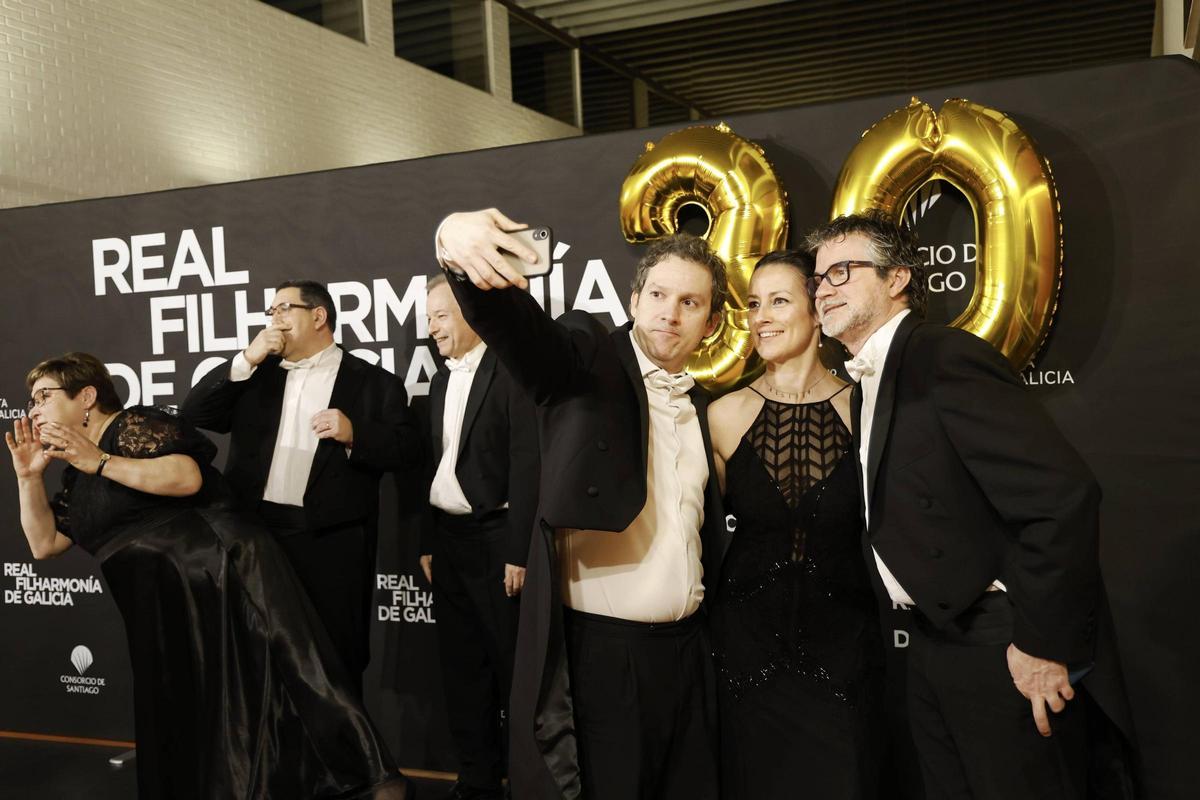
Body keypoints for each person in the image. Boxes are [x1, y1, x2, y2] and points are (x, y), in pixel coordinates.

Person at [805, 212, 1134, 800]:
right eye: (819, 277)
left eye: (842, 271)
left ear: (898, 277)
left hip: (1000, 647)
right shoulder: (866, 383)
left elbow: (1062, 496)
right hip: (930, 646)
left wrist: (1040, 644)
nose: (824, 287)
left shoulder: (943, 355)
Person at [7, 352, 413, 799]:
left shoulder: (131, 427)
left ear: (86, 396)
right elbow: (44, 545)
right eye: (31, 401)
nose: (34, 410)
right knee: (202, 714)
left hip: (220, 575)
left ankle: (366, 780)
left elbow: (187, 478)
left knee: (274, 686)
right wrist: (28, 478)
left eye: (44, 396)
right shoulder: (75, 479)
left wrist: (100, 460)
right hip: (165, 607)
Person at [434, 208, 731, 800]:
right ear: (634, 297)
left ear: (712, 322)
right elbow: (522, 334)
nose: (670, 313)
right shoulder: (585, 362)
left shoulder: (707, 407)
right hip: (603, 658)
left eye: (690, 303)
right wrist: (457, 252)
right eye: (658, 294)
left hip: (691, 656)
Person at [182, 280, 421, 693]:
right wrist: (245, 359)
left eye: (283, 309)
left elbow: (404, 451)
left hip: (333, 539)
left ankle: (343, 752)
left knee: (335, 657)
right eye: (270, 313)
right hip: (257, 535)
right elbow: (195, 412)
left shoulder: (374, 383)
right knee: (259, 652)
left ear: (318, 316)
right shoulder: (256, 375)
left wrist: (354, 434)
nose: (274, 320)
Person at [706, 250, 885, 799]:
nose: (761, 316)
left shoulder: (866, 408)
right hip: (745, 657)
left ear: (817, 309)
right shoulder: (723, 414)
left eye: (779, 301)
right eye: (754, 304)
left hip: (846, 657)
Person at [419, 272, 540, 800]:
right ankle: (477, 784)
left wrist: (519, 549)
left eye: (440, 316)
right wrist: (427, 540)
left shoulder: (511, 367)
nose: (432, 329)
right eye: (428, 319)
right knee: (462, 674)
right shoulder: (443, 377)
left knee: (514, 675)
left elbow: (527, 461)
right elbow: (435, 463)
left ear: (470, 314)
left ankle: (528, 784)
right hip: (448, 543)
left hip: (498, 542)